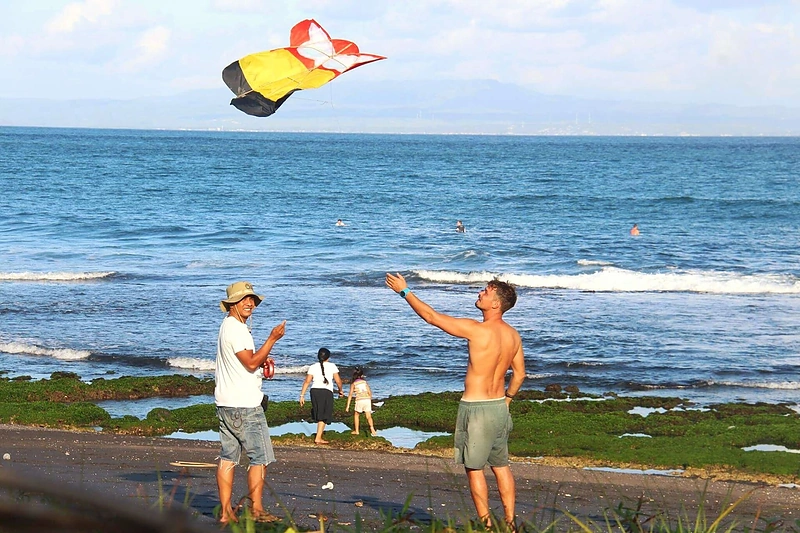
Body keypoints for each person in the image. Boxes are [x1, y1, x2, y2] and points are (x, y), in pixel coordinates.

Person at [385, 272, 525, 529]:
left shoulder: (477, 330)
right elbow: (520, 375)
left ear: (496, 303)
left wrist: (404, 292)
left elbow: (432, 317)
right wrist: (507, 400)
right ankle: (510, 522)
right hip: (498, 408)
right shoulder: (513, 336)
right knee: (502, 467)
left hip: (476, 409)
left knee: (474, 469)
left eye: (486, 291)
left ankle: (486, 525)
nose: (480, 293)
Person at [215, 281, 286, 524]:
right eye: (243, 299)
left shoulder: (229, 327)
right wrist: (272, 339)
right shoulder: (236, 329)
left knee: (228, 457)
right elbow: (251, 363)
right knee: (260, 458)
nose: (250, 303)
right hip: (244, 405)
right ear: (231, 304)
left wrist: (261, 358)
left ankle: (226, 513)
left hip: (226, 402)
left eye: (252, 299)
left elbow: (248, 362)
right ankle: (256, 509)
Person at [299, 347, 343, 444]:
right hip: (326, 391)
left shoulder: (313, 366)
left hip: (314, 391)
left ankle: (318, 436)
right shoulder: (332, 366)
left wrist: (302, 395)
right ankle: (318, 438)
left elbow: (307, 381)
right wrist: (341, 390)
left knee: (319, 414)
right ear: (328, 357)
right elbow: (338, 381)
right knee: (324, 415)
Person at [345, 367, 377, 436]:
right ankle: (372, 427)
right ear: (361, 375)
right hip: (367, 399)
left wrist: (347, 406)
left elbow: (350, 395)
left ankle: (357, 431)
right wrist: (369, 400)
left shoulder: (353, 383)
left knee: (356, 415)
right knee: (368, 416)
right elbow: (369, 392)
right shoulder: (364, 382)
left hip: (359, 400)